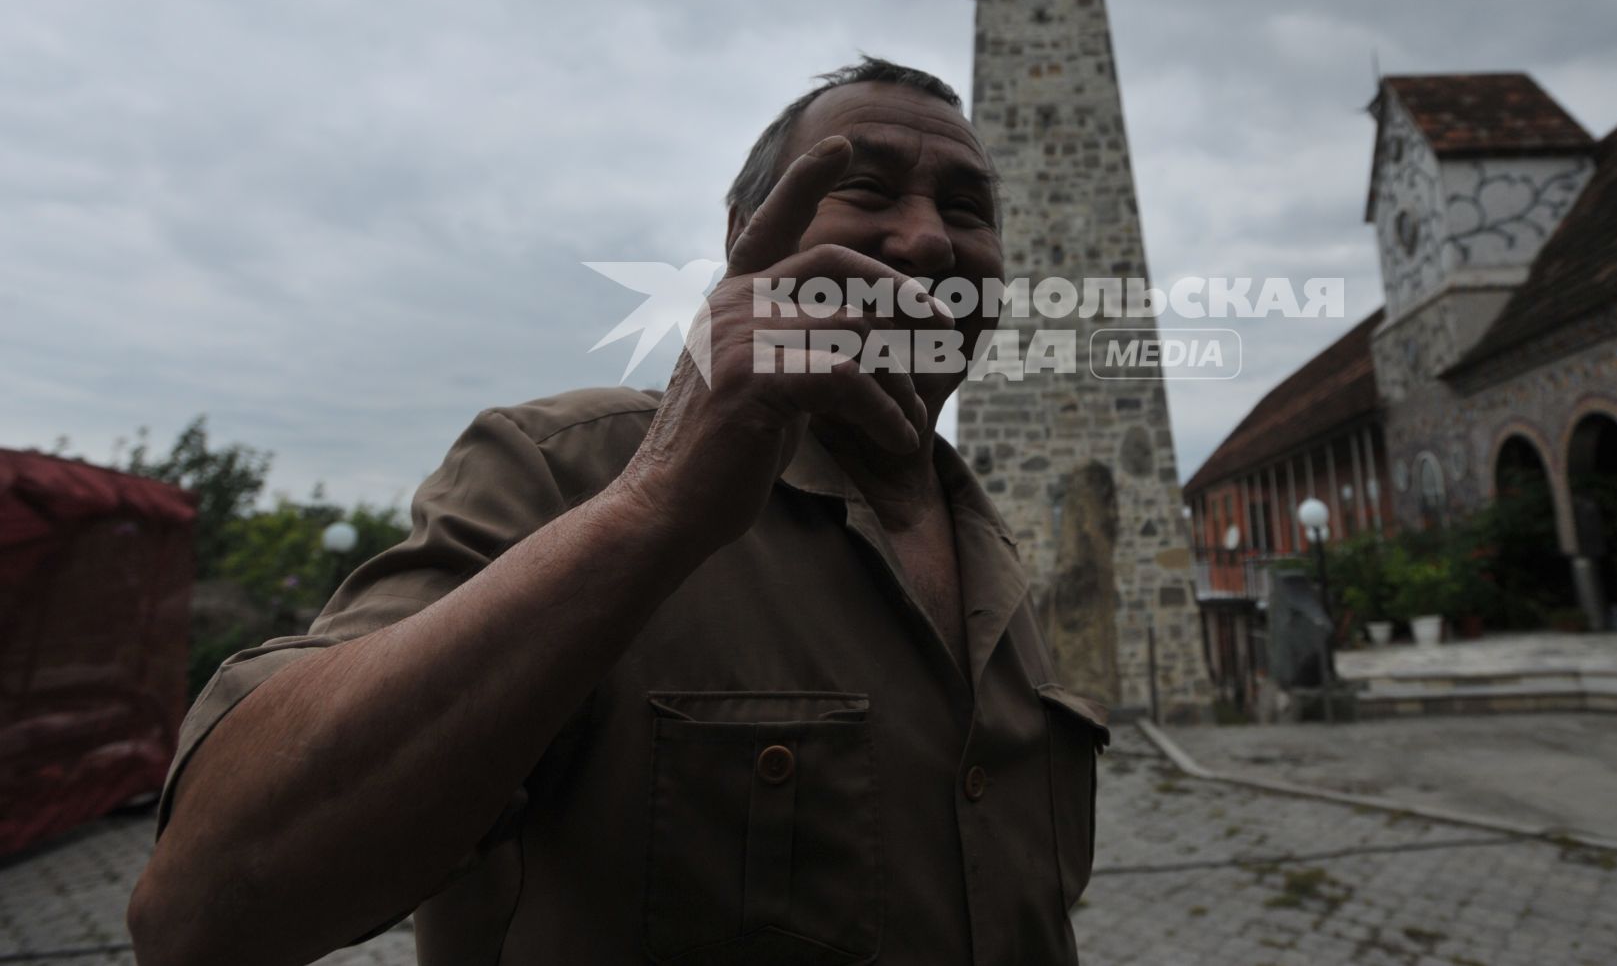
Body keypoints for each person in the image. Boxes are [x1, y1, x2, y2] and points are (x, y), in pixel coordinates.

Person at [128, 58, 1109, 966]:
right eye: (868, 185)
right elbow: (202, 910)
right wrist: (655, 504)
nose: (930, 236)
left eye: (968, 208)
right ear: (745, 231)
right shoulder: (566, 468)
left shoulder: (1003, 552)